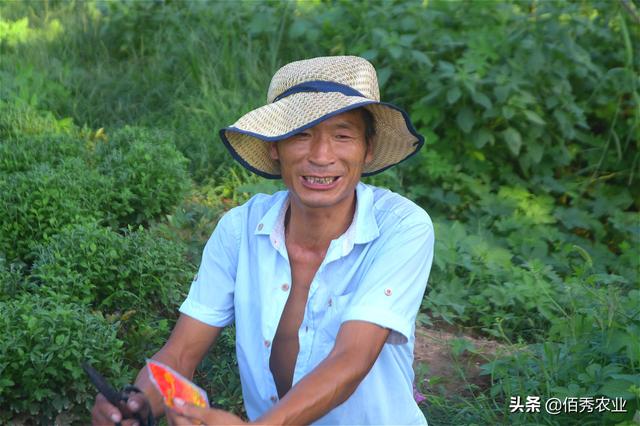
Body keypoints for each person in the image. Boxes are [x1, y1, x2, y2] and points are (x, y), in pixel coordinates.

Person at [92, 55, 434, 425]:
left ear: (367, 150)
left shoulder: (403, 227)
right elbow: (180, 354)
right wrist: (138, 402)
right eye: (301, 134)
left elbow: (351, 358)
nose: (321, 156)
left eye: (342, 135)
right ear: (275, 147)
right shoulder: (240, 230)